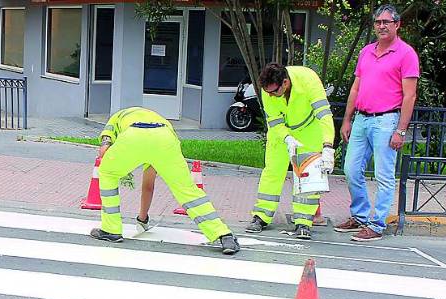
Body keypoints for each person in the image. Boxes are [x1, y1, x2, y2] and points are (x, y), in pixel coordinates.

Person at [90, 107, 240, 255]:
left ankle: (111, 229)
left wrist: (113, 155)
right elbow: (148, 185)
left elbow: (104, 148)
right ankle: (223, 234)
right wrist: (142, 219)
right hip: (165, 138)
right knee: (187, 190)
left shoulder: (116, 119)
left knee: (107, 172)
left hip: (134, 135)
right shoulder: (153, 117)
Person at [335, 4, 419, 242]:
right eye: (378, 22)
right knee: (351, 170)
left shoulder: (406, 54)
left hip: (387, 120)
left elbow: (410, 95)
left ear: (397, 25)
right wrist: (347, 119)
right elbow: (356, 87)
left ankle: (377, 224)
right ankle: (360, 216)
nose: (381, 26)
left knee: (384, 176)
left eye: (386, 22)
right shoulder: (366, 52)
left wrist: (401, 130)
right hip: (361, 119)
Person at [245, 63, 335, 240]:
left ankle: (303, 222)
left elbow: (324, 115)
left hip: (308, 129)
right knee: (272, 172)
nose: (269, 95)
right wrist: (286, 137)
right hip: (281, 132)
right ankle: (261, 215)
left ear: (285, 83)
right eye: (267, 92)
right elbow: (274, 120)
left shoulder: (308, 80)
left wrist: (328, 147)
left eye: (273, 92)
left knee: (307, 175)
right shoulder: (268, 88)